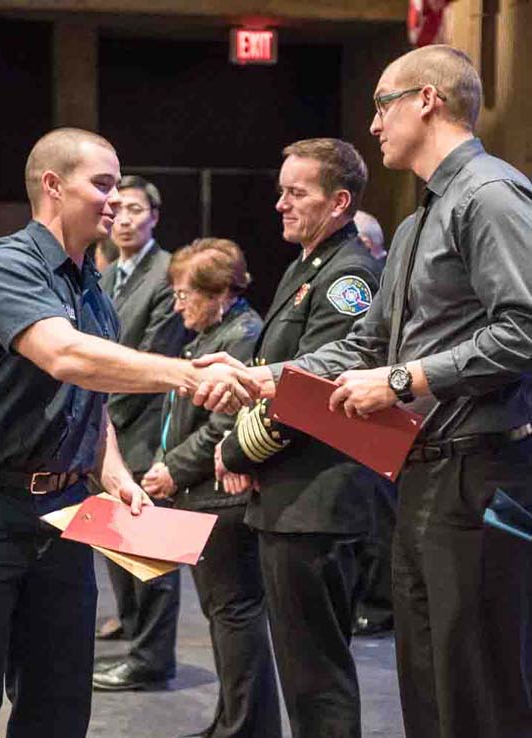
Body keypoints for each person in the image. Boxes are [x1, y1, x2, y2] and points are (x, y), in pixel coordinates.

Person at [207, 46, 532, 738]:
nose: (374, 122)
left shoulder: (490, 195)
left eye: (383, 103)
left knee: (479, 689)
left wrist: (404, 379)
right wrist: (266, 377)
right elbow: (362, 347)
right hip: (423, 478)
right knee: (427, 686)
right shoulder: (417, 222)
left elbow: (525, 327)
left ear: (428, 100)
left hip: (482, 474)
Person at [0, 127, 257, 738]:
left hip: (64, 512)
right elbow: (65, 357)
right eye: (103, 185)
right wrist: (187, 375)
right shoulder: (5, 264)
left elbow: (88, 397)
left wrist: (114, 475)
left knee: (59, 703)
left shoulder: (92, 287)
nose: (114, 201)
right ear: (54, 186)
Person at [214, 138, 384, 738]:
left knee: (318, 678)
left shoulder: (350, 276)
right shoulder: (308, 265)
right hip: (291, 495)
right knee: (304, 672)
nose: (281, 204)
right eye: (281, 191)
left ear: (339, 201)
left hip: (317, 499)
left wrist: (236, 448)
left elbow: (316, 389)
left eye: (297, 192)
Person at [142, 238, 282, 738]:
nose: (180, 305)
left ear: (220, 291)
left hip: (225, 498)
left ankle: (246, 727)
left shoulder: (242, 335)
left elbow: (221, 426)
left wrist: (171, 469)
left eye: (186, 295)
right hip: (205, 494)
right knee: (224, 615)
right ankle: (231, 720)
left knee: (235, 613)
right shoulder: (213, 333)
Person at [93, 175, 187, 691]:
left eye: (134, 209)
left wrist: (97, 405)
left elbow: (154, 357)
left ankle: (152, 658)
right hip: (109, 421)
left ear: (153, 216)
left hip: (146, 425)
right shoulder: (109, 276)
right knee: (115, 538)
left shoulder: (166, 271)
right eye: (118, 209)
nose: (123, 218)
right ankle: (131, 626)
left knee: (150, 549)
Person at [351, 209, 396, 637]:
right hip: (368, 408)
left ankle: (379, 605)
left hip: (386, 411)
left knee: (382, 516)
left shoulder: (372, 278)